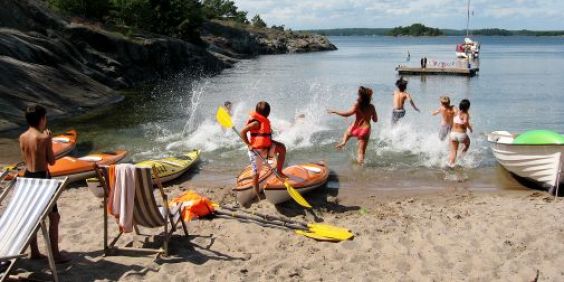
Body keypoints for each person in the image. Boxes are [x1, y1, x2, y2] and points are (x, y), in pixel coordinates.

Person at [19, 105, 70, 263]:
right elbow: (52, 161)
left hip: (28, 177)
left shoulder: (22, 137)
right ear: (42, 119)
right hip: (42, 178)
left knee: (32, 217)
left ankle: (34, 251)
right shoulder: (43, 137)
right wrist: (49, 140)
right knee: (54, 217)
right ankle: (55, 254)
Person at [240, 101, 287, 197]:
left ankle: (279, 171)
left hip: (266, 147)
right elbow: (242, 132)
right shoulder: (256, 123)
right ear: (268, 113)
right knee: (256, 174)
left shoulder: (265, 122)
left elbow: (265, 135)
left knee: (282, 148)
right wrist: (248, 144)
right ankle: (257, 194)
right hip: (256, 151)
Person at [328, 86, 378, 165]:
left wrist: (335, 111)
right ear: (369, 97)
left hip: (354, 128)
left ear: (360, 96)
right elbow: (375, 120)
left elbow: (347, 114)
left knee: (347, 132)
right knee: (361, 152)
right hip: (365, 130)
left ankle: (344, 142)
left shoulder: (357, 105)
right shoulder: (372, 107)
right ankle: (360, 168)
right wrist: (371, 115)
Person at [448, 99, 473, 168]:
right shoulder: (466, 114)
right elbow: (465, 122)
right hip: (461, 134)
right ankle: (460, 157)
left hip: (453, 134)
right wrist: (470, 128)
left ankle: (450, 164)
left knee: (454, 151)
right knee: (467, 144)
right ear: (468, 107)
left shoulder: (456, 112)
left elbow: (451, 109)